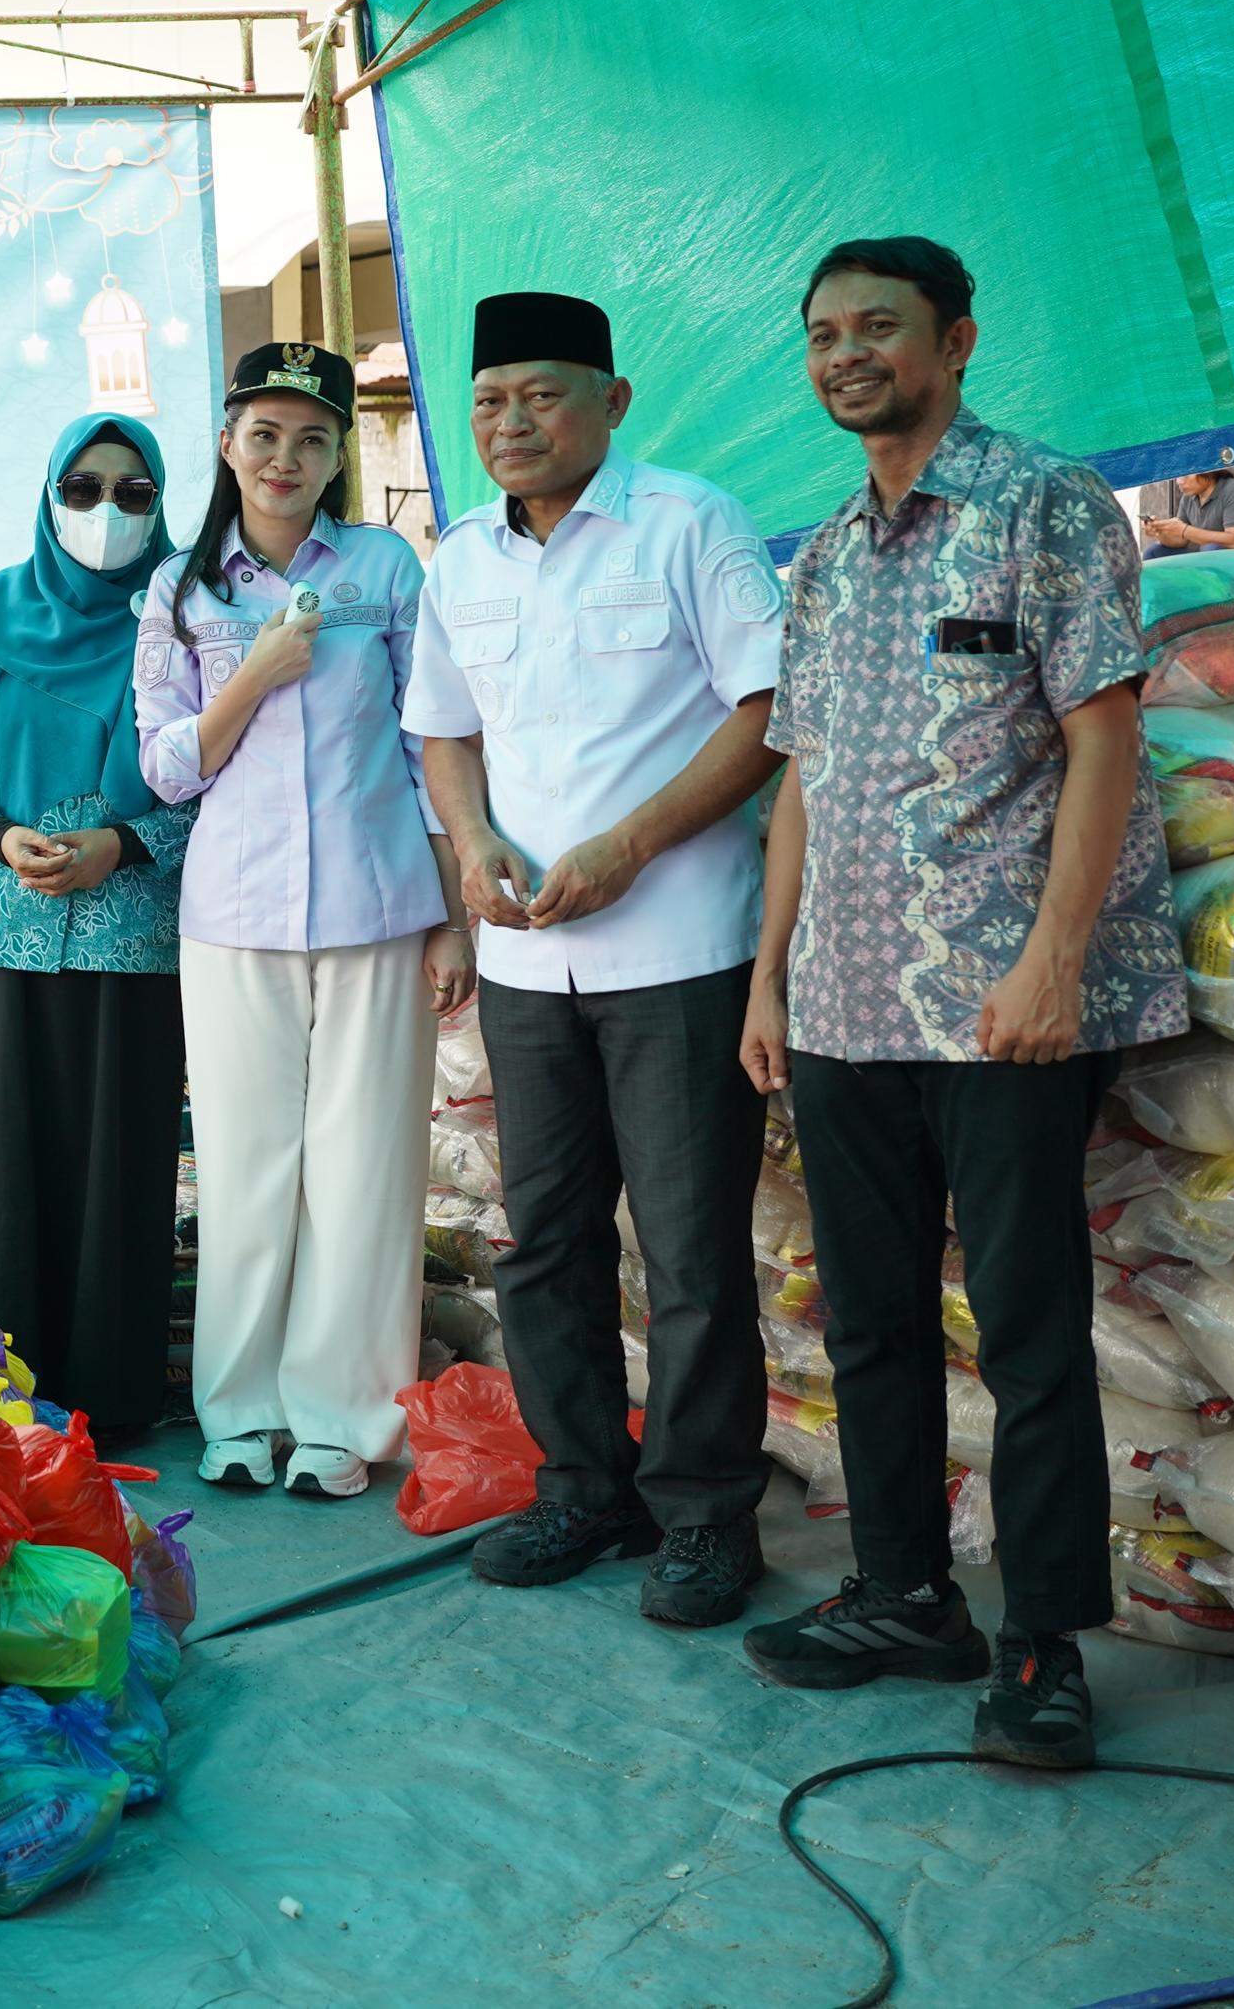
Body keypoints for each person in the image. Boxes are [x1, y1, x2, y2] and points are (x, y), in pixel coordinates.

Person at [738, 235, 1187, 1771]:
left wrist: (1056, 956)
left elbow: (1103, 733)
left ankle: (1045, 1643)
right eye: (824, 334)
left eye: (878, 326)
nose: (847, 354)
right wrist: (770, 976)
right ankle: (903, 1593)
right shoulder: (823, 556)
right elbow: (801, 781)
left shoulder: (1040, 503)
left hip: (999, 1009)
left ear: (958, 340)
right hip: (844, 1003)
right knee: (869, 1322)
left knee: (1028, 1331)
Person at [404, 289, 785, 1629]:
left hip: (678, 949)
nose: (509, 422)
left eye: (540, 395)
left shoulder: (689, 523)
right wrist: (470, 843)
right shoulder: (460, 559)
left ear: (611, 403)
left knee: (688, 1254)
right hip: (525, 967)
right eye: (488, 400)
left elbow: (768, 711)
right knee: (544, 1242)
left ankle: (705, 1515)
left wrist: (631, 844)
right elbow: (444, 730)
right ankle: (582, 1485)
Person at [133, 340, 475, 1499]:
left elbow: (430, 744)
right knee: (244, 1167)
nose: (285, 457)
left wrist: (449, 915)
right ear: (227, 445)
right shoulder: (180, 590)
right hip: (233, 916)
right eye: (264, 434)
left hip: (379, 906)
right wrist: (255, 670)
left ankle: (342, 1420)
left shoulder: (383, 567)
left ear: (337, 456)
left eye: (312, 438)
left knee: (363, 1165)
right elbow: (165, 766)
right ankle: (238, 1411)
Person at [0, 410, 195, 1440]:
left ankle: (102, 1399)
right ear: (49, 496)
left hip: (128, 942)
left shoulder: (183, 625)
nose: (106, 510)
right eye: (83, 488)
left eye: (132, 493)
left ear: (159, 504)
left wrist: (127, 841)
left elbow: (226, 774)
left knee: (113, 1170)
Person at [1140, 464, 1234, 557]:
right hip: (1209, 557)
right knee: (1154, 552)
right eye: (1177, 476)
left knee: (1211, 549)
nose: (1179, 481)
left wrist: (1184, 530)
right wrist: (1159, 532)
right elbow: (1180, 541)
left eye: (1185, 476)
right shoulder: (1188, 497)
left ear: (1208, 472)